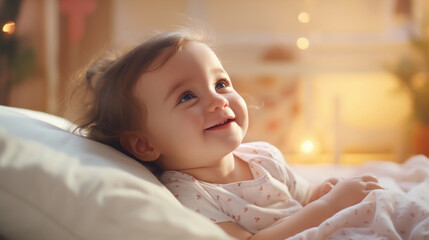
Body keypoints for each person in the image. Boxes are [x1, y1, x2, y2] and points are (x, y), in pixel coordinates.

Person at [69, 31, 382, 240]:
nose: (218, 100)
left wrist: (325, 193)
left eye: (220, 84)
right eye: (187, 96)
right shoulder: (190, 197)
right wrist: (328, 207)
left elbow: (302, 198)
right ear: (144, 144)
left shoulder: (263, 156)